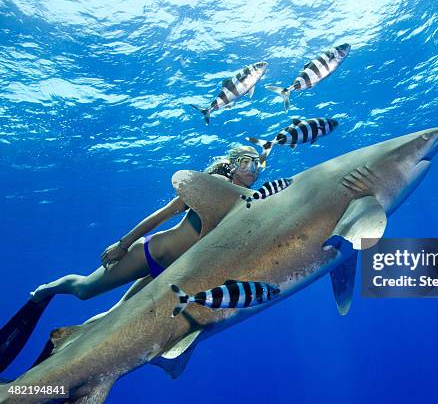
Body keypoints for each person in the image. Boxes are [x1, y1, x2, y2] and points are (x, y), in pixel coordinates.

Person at [0, 144, 262, 372]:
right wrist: (122, 244)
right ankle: (45, 291)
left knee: (113, 317)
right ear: (232, 164)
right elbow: (165, 213)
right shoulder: (211, 186)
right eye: (246, 161)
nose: (253, 168)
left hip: (171, 273)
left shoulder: (246, 204)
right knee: (84, 290)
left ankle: (63, 343)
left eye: (258, 163)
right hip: (150, 253)